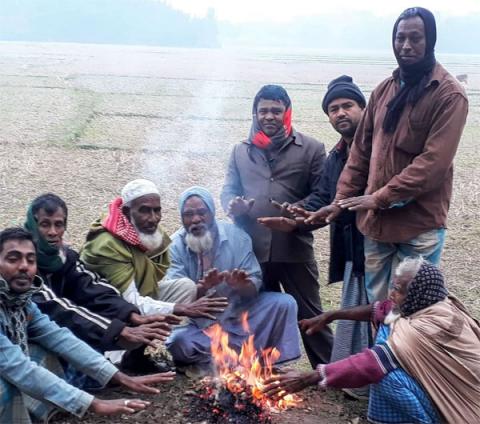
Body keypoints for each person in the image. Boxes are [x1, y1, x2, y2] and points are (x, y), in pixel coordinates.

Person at [309, 7, 468, 303]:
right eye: (400, 38)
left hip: (418, 226)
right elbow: (360, 153)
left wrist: (380, 197)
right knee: (379, 309)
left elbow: (433, 164)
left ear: (429, 40)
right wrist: (339, 202)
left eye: (415, 38)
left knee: (413, 311)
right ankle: (380, 349)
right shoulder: (384, 91)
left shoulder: (448, 95)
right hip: (376, 227)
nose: (406, 46)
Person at [263, 257, 480, 423]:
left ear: (415, 294)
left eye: (397, 289)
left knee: (387, 376)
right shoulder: (432, 302)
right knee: (389, 328)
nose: (391, 293)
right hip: (441, 385)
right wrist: (330, 316)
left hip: (462, 408)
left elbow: (371, 364)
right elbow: (382, 310)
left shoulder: (423, 330)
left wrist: (307, 378)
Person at [0, 227, 176, 423]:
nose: (24, 266)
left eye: (31, 260)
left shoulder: (22, 302)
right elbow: (15, 366)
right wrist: (91, 403)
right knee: (5, 386)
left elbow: (59, 337)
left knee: (47, 354)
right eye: (13, 259)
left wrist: (120, 377)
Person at [221, 84, 333, 367]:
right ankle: (256, 368)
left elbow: (323, 195)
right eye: (263, 111)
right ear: (254, 114)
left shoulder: (311, 148)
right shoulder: (240, 151)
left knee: (310, 314)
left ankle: (331, 371)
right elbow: (228, 190)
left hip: (294, 248)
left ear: (287, 113)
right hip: (253, 250)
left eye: (276, 110)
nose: (269, 116)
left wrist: (296, 217)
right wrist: (234, 205)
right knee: (257, 312)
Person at [25, 193, 178, 373]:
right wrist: (116, 330)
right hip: (26, 334)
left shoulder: (64, 257)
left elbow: (92, 286)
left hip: (61, 324)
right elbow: (55, 306)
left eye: (58, 224)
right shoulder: (23, 259)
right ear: (33, 225)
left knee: (122, 318)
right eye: (45, 224)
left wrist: (129, 315)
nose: (52, 232)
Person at [284, 77, 370, 391]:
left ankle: (375, 383)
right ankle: (357, 384)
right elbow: (322, 198)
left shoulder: (378, 148)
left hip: (377, 247)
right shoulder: (336, 156)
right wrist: (294, 214)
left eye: (347, 105)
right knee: (355, 317)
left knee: (377, 314)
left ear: (364, 108)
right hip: (350, 249)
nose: (340, 113)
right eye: (333, 109)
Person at [165, 187, 301, 370]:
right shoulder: (174, 246)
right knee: (178, 342)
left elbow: (253, 284)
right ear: (181, 218)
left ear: (212, 212)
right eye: (188, 214)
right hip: (202, 325)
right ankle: (235, 362)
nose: (195, 219)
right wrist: (201, 289)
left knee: (284, 303)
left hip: (241, 314)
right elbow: (174, 297)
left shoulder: (236, 236)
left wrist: (242, 285)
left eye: (201, 212)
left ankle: (274, 364)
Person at [81, 179, 228, 320]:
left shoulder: (149, 231)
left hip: (138, 293)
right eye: (144, 211)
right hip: (105, 310)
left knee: (186, 287)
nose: (153, 218)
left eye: (157, 210)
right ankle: (131, 343)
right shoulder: (107, 245)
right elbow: (129, 301)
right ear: (126, 211)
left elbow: (155, 277)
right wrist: (180, 308)